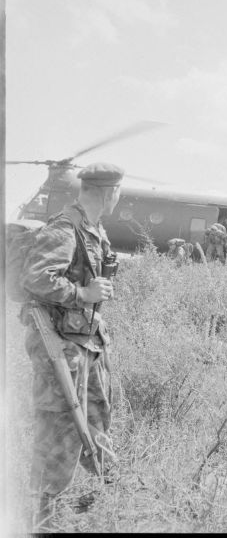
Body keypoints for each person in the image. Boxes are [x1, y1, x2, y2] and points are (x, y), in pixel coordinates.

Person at [20, 162, 124, 531]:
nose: (119, 196)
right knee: (60, 431)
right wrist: (82, 293)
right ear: (109, 192)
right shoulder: (65, 229)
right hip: (58, 349)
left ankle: (109, 499)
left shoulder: (94, 230)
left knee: (96, 420)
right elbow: (34, 278)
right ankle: (42, 520)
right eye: (118, 191)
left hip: (84, 344)